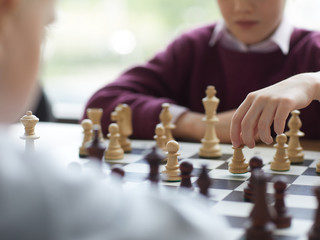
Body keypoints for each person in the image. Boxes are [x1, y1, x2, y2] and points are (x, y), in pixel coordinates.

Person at [0, 0, 230, 239]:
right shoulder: (34, 189)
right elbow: (193, 230)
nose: (243, 5)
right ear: (6, 14)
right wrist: (197, 124)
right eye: (45, 28)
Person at [84, 0, 320, 147]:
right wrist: (199, 124)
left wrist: (311, 82)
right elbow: (102, 103)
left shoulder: (316, 48)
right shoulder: (191, 47)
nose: (241, 6)